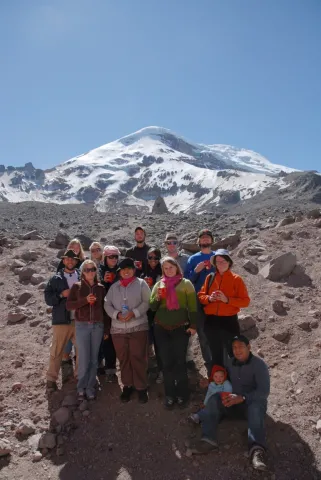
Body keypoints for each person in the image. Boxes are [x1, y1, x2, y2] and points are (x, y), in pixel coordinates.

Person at [188, 335, 270, 472]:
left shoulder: (259, 365)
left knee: (256, 406)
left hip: (250, 405)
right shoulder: (230, 363)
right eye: (234, 348)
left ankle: (257, 450)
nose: (237, 350)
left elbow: (263, 392)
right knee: (214, 398)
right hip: (233, 403)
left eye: (240, 347)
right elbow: (222, 382)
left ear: (249, 347)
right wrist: (209, 383)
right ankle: (208, 439)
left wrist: (242, 397)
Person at [150, 257, 197, 409]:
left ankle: (183, 394)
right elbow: (152, 307)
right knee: (166, 362)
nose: (169, 270)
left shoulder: (186, 284)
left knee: (180, 361)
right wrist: (158, 298)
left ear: (177, 267)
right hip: (161, 327)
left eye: (171, 267)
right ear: (162, 270)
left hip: (180, 327)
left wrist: (193, 325)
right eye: (165, 268)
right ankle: (170, 394)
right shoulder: (159, 284)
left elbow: (193, 306)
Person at [104, 258, 151, 403]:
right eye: (123, 269)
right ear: (119, 272)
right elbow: (107, 304)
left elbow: (147, 301)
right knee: (123, 358)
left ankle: (141, 387)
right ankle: (128, 385)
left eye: (129, 268)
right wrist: (116, 315)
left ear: (133, 270)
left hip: (138, 328)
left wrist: (134, 312)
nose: (126, 271)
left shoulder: (142, 284)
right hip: (118, 330)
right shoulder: (114, 287)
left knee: (138, 357)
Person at [198, 249, 250, 367]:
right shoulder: (210, 278)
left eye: (223, 261)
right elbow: (200, 296)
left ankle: (237, 380)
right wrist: (209, 298)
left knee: (234, 353)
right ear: (215, 264)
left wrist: (227, 300)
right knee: (215, 353)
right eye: (218, 261)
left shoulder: (236, 279)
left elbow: (245, 301)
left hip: (229, 321)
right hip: (211, 321)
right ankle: (220, 382)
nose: (220, 264)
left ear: (229, 262)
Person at [66, 260, 108, 400]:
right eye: (87, 269)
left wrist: (106, 329)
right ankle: (80, 388)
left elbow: (104, 310)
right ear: (82, 272)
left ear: (96, 271)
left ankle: (90, 387)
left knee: (94, 359)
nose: (90, 272)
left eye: (93, 269)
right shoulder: (76, 287)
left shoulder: (101, 288)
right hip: (82, 326)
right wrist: (85, 301)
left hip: (97, 326)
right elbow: (69, 305)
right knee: (83, 358)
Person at [44, 249, 80, 392]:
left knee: (81, 351)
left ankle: (79, 377)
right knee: (57, 350)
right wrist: (60, 294)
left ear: (76, 261)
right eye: (67, 259)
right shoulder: (55, 279)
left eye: (72, 259)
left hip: (79, 320)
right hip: (61, 320)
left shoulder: (82, 276)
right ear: (63, 261)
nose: (70, 261)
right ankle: (51, 380)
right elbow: (48, 299)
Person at [185, 229, 216, 375]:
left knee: (218, 331)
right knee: (203, 333)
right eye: (202, 238)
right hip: (199, 300)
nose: (204, 240)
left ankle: (221, 362)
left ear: (211, 240)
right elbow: (188, 281)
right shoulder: (193, 259)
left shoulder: (217, 257)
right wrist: (196, 271)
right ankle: (210, 365)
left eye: (207, 238)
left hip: (216, 300)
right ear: (199, 241)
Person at [164, 233, 194, 370]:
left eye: (174, 242)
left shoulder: (187, 259)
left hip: (184, 298)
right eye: (168, 242)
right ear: (165, 244)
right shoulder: (162, 261)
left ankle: (188, 359)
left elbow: (191, 276)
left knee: (186, 330)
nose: (171, 245)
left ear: (178, 244)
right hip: (167, 300)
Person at [97, 245, 120, 382]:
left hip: (117, 309)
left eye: (116, 256)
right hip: (103, 311)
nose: (113, 259)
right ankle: (102, 367)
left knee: (114, 340)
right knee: (104, 339)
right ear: (105, 257)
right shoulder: (99, 271)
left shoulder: (121, 270)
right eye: (110, 256)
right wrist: (103, 282)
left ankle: (112, 368)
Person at [140, 246, 163, 383]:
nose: (153, 260)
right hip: (145, 312)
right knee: (147, 343)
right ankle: (150, 370)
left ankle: (161, 371)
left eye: (156, 258)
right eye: (150, 257)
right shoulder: (142, 272)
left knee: (160, 343)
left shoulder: (163, 272)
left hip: (159, 312)